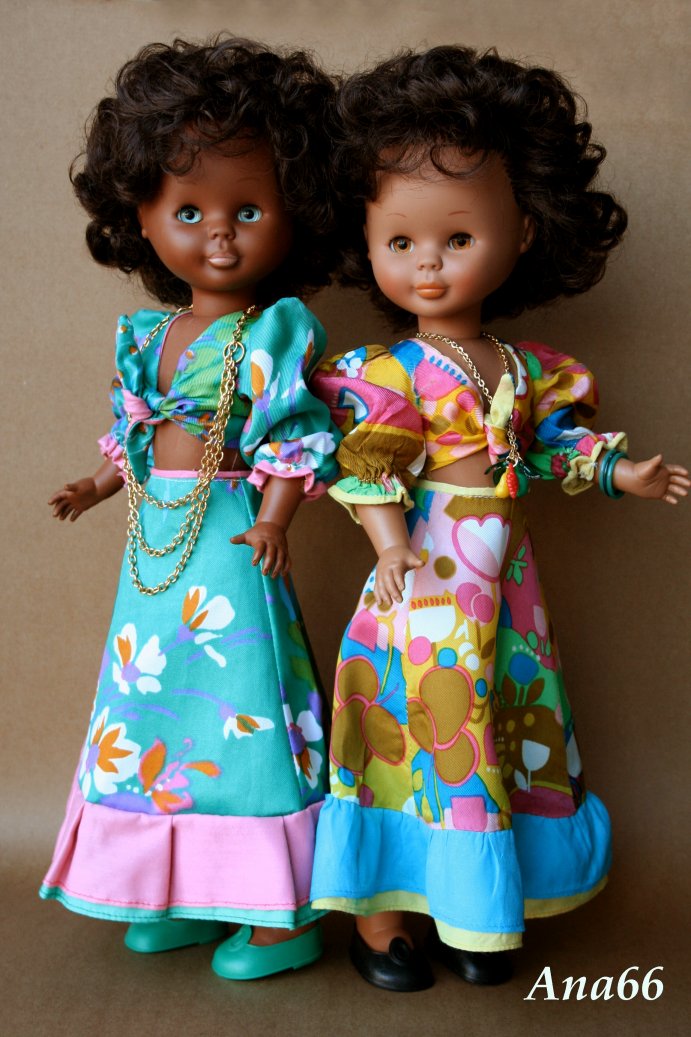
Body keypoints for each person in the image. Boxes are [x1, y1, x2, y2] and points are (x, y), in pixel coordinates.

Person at [310, 45, 689, 991]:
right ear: (366, 242)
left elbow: (551, 445)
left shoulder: (524, 369)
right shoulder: (387, 373)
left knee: (505, 725)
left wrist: (619, 471)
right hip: (426, 576)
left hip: (506, 587)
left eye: (456, 239)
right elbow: (365, 465)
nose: (428, 265)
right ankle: (384, 917)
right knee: (420, 728)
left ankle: (477, 907)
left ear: (522, 232)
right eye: (401, 243)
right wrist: (389, 544)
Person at [40, 36, 340, 981]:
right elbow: (135, 432)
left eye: (247, 210)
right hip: (157, 543)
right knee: (155, 710)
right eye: (188, 211)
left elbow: (295, 433)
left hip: (232, 537)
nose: (219, 235)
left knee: (243, 709)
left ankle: (280, 913)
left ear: (294, 212)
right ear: (140, 214)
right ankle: (179, 888)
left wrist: (276, 518)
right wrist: (96, 485)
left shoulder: (273, 330)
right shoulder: (149, 333)